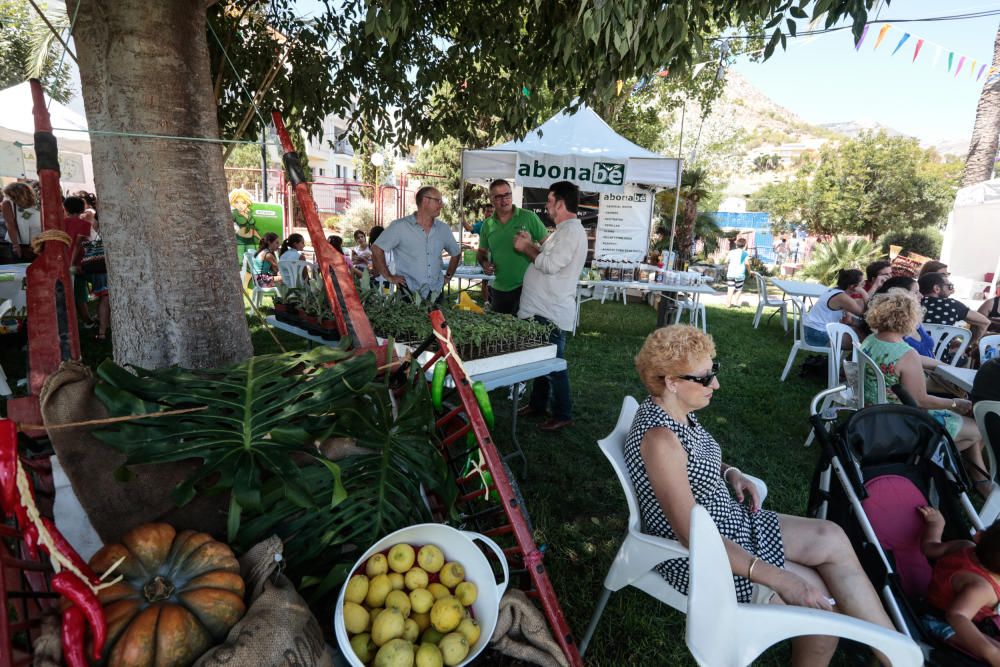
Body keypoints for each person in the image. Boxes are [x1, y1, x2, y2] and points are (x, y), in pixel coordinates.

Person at [627, 325, 895, 666]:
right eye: (705, 378)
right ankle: (892, 653)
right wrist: (781, 579)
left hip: (730, 525)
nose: (716, 384)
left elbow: (691, 459)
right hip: (704, 558)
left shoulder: (675, 413)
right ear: (670, 381)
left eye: (715, 372)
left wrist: (730, 472)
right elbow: (693, 537)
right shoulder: (660, 438)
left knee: (831, 535)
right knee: (822, 604)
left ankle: (893, 650)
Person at [861, 291, 987, 493]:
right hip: (902, 422)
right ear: (909, 319)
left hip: (872, 413)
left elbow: (911, 359)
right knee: (978, 430)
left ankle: (962, 471)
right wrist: (955, 403)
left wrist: (940, 365)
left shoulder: (873, 340)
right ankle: (922, 464)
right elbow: (921, 400)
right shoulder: (906, 353)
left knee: (965, 428)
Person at [513, 181, 588, 433]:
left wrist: (526, 247)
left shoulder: (571, 232)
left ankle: (562, 413)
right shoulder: (563, 231)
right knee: (541, 361)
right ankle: (538, 404)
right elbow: (546, 259)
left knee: (554, 365)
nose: (546, 205)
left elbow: (549, 265)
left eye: (549, 200)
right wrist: (531, 245)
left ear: (559, 202)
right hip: (542, 309)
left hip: (551, 311)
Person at [919, 506, 1000, 666]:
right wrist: (990, 653)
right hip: (940, 623)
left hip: (935, 609)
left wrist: (936, 525)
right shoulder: (981, 588)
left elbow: (929, 547)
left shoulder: (964, 546)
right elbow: (957, 616)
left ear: (979, 536)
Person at [371, 186, 460, 302]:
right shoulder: (400, 226)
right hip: (408, 293)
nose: (442, 205)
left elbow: (456, 253)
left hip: (436, 293)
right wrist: (388, 276)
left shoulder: (443, 229)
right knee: (408, 321)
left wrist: (448, 277)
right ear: (425, 201)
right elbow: (376, 248)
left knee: (438, 320)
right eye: (438, 201)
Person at [477, 179, 547, 314]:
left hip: (527, 288)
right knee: (502, 332)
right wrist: (484, 262)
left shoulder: (529, 217)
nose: (505, 200)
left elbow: (549, 246)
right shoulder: (487, 225)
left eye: (507, 195)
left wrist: (529, 246)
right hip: (499, 288)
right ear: (491, 199)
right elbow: (481, 252)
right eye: (499, 197)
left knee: (526, 333)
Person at [801, 269, 866, 347]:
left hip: (811, 330)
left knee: (859, 334)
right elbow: (863, 313)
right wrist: (864, 292)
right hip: (817, 335)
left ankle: (841, 358)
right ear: (853, 286)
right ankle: (844, 359)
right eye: (862, 284)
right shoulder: (842, 297)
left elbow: (856, 305)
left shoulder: (834, 291)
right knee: (863, 340)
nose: (864, 286)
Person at [919, 272, 990, 340]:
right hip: (941, 352)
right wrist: (965, 346)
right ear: (937, 289)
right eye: (950, 286)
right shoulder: (952, 305)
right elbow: (985, 322)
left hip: (911, 351)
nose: (953, 291)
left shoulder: (913, 303)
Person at [2, 182, 43, 262]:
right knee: (19, 269)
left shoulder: (38, 203)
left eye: (10, 195)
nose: (8, 197)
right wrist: (15, 245)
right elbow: (10, 225)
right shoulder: (8, 204)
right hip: (18, 243)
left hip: (38, 244)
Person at [724, 238, 750, 308]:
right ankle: (736, 302)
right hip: (740, 274)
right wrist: (749, 272)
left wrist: (726, 269)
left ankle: (728, 304)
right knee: (739, 289)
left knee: (730, 289)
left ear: (736, 245)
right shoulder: (745, 253)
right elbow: (747, 263)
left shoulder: (731, 252)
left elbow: (726, 261)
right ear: (744, 245)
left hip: (730, 273)